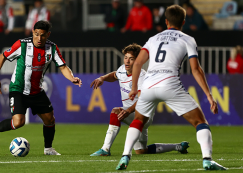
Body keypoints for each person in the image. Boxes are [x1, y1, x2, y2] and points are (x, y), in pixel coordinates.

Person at [116, 5, 227, 170]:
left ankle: (125, 156)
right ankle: (207, 159)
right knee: (200, 122)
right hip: (169, 83)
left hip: (148, 86)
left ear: (166, 21)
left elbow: (138, 62)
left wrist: (134, 88)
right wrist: (209, 96)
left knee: (138, 121)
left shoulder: (153, 39)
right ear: (183, 21)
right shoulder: (188, 39)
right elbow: (196, 69)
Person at [0, 20, 82, 155]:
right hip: (18, 89)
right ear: (32, 32)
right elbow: (2, 57)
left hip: (37, 91)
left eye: (43, 35)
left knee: (49, 119)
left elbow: (62, 66)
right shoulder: (22, 45)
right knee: (18, 122)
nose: (39, 38)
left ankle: (48, 149)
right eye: (36, 34)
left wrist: (71, 78)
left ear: (48, 35)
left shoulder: (52, 48)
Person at [89, 43, 189, 156]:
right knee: (141, 151)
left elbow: (143, 100)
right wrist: (102, 78)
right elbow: (115, 75)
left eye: (131, 59)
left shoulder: (142, 77)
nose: (127, 61)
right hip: (132, 113)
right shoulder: (122, 69)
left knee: (116, 111)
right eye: (126, 58)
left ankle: (105, 149)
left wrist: (128, 110)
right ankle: (179, 146)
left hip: (143, 116)